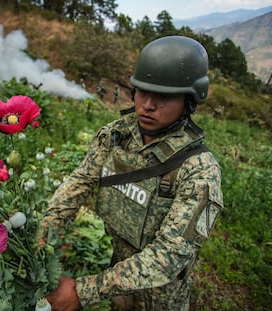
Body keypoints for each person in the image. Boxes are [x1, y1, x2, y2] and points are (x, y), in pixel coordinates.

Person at [43, 35, 224, 311]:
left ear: (189, 100)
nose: (147, 105)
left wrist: (84, 291)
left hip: (159, 297)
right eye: (141, 91)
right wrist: (45, 230)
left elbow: (169, 257)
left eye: (164, 96)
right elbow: (78, 183)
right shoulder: (116, 136)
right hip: (116, 276)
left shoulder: (199, 170)